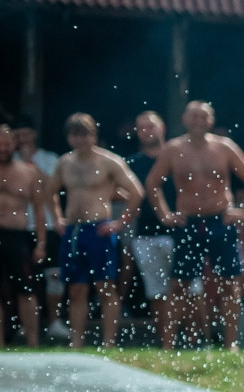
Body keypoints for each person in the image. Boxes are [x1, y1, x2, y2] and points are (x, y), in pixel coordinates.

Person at [148, 99, 244, 350]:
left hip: (221, 219)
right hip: (188, 222)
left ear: (211, 120)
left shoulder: (224, 147)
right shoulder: (173, 149)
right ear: (184, 119)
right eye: (194, 116)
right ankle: (168, 345)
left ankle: (231, 344)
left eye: (204, 116)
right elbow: (152, 183)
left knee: (228, 283)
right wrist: (164, 215)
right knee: (179, 283)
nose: (199, 121)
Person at [51, 115, 142, 350]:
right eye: (75, 134)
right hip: (73, 230)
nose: (80, 139)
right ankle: (76, 342)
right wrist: (56, 218)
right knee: (76, 288)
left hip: (99, 229)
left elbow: (136, 191)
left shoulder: (109, 161)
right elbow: (48, 192)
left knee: (104, 286)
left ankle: (108, 342)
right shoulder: (64, 163)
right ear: (69, 137)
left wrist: (120, 222)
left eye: (85, 134)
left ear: (93, 136)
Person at [124, 111, 183, 348]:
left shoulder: (177, 156)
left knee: (187, 287)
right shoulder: (131, 163)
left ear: (163, 128)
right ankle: (167, 344)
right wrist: (131, 205)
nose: (146, 131)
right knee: (156, 291)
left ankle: (195, 339)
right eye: (141, 128)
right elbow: (117, 189)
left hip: (178, 232)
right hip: (146, 233)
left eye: (150, 126)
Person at [1, 118, 55, 347]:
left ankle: (33, 342)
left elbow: (40, 210)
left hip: (18, 236)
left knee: (26, 291)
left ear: (14, 144)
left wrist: (41, 244)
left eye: (6, 144)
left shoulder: (29, 172)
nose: (3, 148)